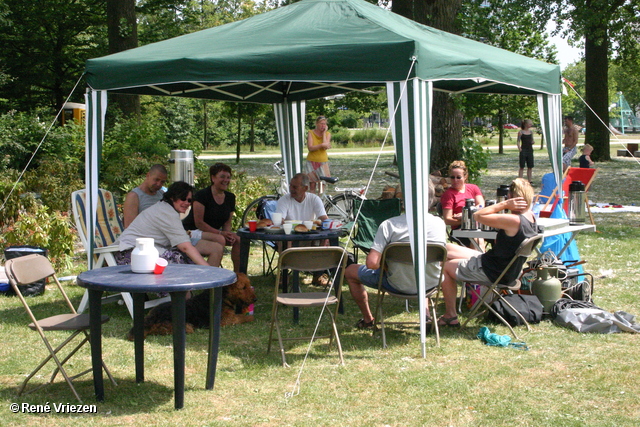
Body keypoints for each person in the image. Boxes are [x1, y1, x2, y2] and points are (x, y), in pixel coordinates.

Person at [346, 180, 447, 329]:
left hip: (397, 284)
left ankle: (368, 320)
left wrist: (386, 263)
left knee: (350, 271)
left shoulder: (389, 225)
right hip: (430, 283)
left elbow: (372, 264)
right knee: (422, 269)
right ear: (431, 199)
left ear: (403, 200)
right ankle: (426, 315)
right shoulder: (439, 223)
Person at [438, 178, 538, 327]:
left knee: (445, 266)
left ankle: (450, 315)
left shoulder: (513, 220)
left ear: (511, 198)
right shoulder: (531, 217)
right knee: (445, 248)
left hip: (493, 271)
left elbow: (478, 216)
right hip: (503, 267)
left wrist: (503, 204)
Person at [116, 181, 223, 267]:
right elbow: (185, 247)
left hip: (150, 249)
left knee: (190, 256)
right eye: (183, 198)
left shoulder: (167, 209)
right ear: (172, 197)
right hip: (131, 253)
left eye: (189, 200)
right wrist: (209, 271)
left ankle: (208, 292)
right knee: (180, 262)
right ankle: (190, 292)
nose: (187, 203)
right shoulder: (166, 212)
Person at [182, 163, 240, 271]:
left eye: (228, 177)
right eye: (222, 177)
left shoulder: (230, 197)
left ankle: (238, 274)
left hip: (214, 232)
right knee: (220, 239)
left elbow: (227, 222)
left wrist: (228, 234)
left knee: (238, 239)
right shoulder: (202, 195)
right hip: (192, 230)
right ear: (213, 178)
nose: (226, 180)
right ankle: (212, 274)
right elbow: (199, 223)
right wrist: (220, 233)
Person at [440, 160, 485, 248]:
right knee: (477, 240)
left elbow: (481, 205)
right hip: (460, 229)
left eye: (458, 177)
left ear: (465, 177)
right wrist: (465, 220)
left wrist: (467, 215)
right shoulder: (448, 195)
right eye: (452, 177)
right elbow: (447, 219)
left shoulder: (473, 188)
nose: (455, 180)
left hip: (479, 225)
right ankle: (480, 260)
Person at [306, 116, 332, 193]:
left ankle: (321, 203)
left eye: (324, 124)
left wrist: (324, 133)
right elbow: (310, 148)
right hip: (312, 161)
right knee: (312, 185)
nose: (323, 126)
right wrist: (321, 145)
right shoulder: (311, 132)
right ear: (317, 124)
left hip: (323, 162)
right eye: (321, 124)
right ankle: (312, 203)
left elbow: (325, 147)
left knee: (322, 185)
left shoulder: (327, 134)